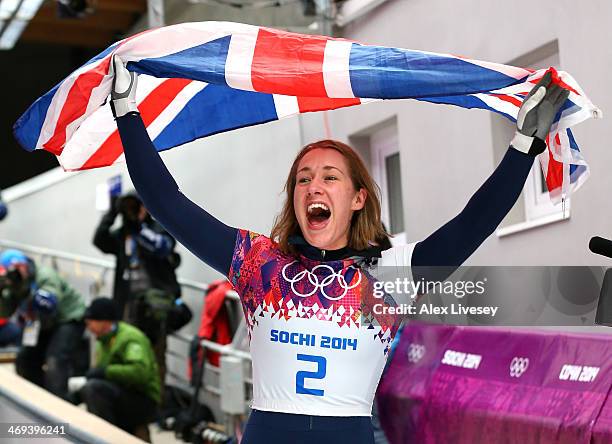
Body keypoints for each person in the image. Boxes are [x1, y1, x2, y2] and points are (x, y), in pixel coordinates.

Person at [109, 56, 568, 443]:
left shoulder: (390, 274)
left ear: (357, 198)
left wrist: (524, 146)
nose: (314, 186)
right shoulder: (258, 263)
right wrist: (127, 113)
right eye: (303, 179)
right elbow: (168, 203)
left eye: (330, 177)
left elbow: (475, 222)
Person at [93, 191, 182, 385]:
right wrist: (112, 212)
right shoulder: (122, 235)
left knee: (155, 356)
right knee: (127, 352)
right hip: (128, 305)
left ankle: (155, 404)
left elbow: (162, 247)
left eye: (136, 205)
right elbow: (99, 240)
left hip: (155, 306)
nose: (132, 211)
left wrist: (140, 226)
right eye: (128, 207)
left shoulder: (159, 227)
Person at [0, 249, 86, 399]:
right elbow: (4, 313)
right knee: (25, 359)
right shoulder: (12, 283)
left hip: (67, 318)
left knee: (55, 361)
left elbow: (49, 304)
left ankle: (59, 406)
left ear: (23, 265)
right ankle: (37, 400)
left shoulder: (45, 275)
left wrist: (30, 293)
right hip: (42, 323)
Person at [79, 297, 161, 441]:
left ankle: (107, 439)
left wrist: (105, 372)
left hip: (143, 399)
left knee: (94, 389)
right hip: (122, 393)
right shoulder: (103, 340)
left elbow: (140, 372)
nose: (88, 327)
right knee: (90, 389)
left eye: (90, 322)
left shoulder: (130, 338)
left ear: (104, 321)